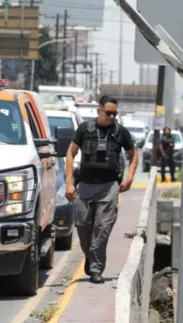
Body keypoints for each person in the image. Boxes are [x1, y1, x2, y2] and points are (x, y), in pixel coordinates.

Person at [65, 95, 139, 284]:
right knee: (83, 226)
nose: (112, 117)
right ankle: (90, 257)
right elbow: (70, 153)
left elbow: (133, 154)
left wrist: (130, 178)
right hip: (85, 186)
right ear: (99, 111)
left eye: (115, 113)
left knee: (102, 228)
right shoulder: (84, 129)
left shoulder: (120, 132)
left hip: (109, 187)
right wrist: (69, 183)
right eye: (108, 113)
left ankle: (96, 269)